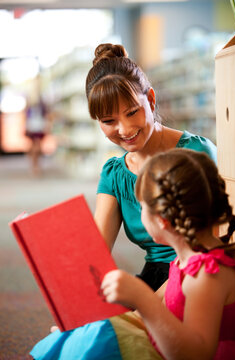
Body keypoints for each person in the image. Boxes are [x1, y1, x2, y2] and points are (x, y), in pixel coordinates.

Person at [30, 149, 235, 360]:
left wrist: (142, 297)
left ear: (161, 220)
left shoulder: (206, 276)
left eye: (142, 207)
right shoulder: (186, 260)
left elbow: (195, 354)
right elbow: (145, 314)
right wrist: (78, 333)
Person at [86, 43, 217, 290]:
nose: (124, 129)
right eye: (108, 121)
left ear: (151, 99)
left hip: (201, 275)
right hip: (155, 277)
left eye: (132, 112)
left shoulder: (197, 154)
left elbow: (220, 241)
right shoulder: (115, 173)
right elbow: (96, 254)